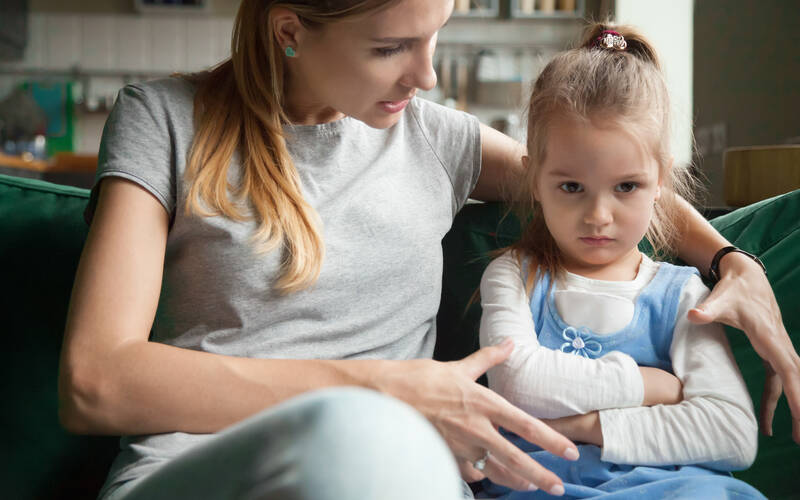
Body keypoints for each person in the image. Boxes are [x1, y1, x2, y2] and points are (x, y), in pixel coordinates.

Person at [55, 1, 797, 499]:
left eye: (435, 34)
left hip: (404, 474)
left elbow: (607, 177)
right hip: (210, 470)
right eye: (391, 48)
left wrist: (731, 261)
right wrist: (377, 388)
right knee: (357, 434)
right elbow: (95, 380)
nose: (428, 75)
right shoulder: (163, 120)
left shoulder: (434, 138)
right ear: (289, 30)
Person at [478, 24, 767, 498]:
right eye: (571, 187)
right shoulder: (514, 275)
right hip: (543, 486)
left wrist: (587, 425)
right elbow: (518, 383)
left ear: (660, 183)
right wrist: (650, 387)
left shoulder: (684, 294)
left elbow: (733, 433)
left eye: (626, 187)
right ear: (533, 179)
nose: (597, 216)